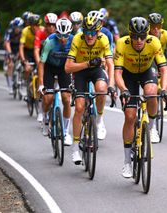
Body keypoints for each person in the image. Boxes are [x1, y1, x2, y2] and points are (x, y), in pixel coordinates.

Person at [114, 17, 167, 178]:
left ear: (147, 35)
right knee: (130, 116)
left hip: (147, 70)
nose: (138, 40)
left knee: (152, 92)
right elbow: (117, 73)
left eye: (142, 37)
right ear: (130, 35)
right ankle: (127, 162)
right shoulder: (122, 44)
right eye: (135, 36)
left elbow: (164, 70)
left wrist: (165, 89)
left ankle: (152, 127)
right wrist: (123, 89)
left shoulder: (154, 42)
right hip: (128, 75)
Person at [65, 12, 115, 165]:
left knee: (101, 89)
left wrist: (111, 85)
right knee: (79, 108)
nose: (89, 36)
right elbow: (67, 68)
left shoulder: (103, 39)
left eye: (93, 32)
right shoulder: (77, 40)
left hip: (96, 70)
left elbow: (111, 63)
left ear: (98, 32)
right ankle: (75, 149)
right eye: (87, 32)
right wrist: (87, 63)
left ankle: (99, 120)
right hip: (80, 70)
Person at [38, 18, 73, 145]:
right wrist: (41, 84)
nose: (63, 39)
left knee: (66, 98)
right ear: (56, 32)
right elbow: (41, 63)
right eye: (60, 35)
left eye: (66, 35)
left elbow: (77, 61)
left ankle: (65, 131)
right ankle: (45, 118)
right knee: (48, 98)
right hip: (49, 68)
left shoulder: (74, 40)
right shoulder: (50, 42)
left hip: (64, 69)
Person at [19, 13, 43, 122]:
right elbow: (21, 46)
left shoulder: (42, 30)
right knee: (28, 69)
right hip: (28, 51)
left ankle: (38, 97)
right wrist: (24, 60)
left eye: (38, 25)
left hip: (38, 51)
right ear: (30, 25)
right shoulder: (25, 31)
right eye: (33, 25)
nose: (36, 27)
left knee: (40, 74)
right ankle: (26, 85)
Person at [3, 17, 24, 94]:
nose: (17, 29)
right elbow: (7, 43)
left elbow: (22, 45)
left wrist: (19, 53)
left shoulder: (23, 33)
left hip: (19, 49)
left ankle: (21, 80)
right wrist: (10, 53)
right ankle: (10, 86)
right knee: (10, 65)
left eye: (19, 27)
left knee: (22, 63)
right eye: (16, 27)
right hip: (10, 49)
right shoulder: (9, 32)